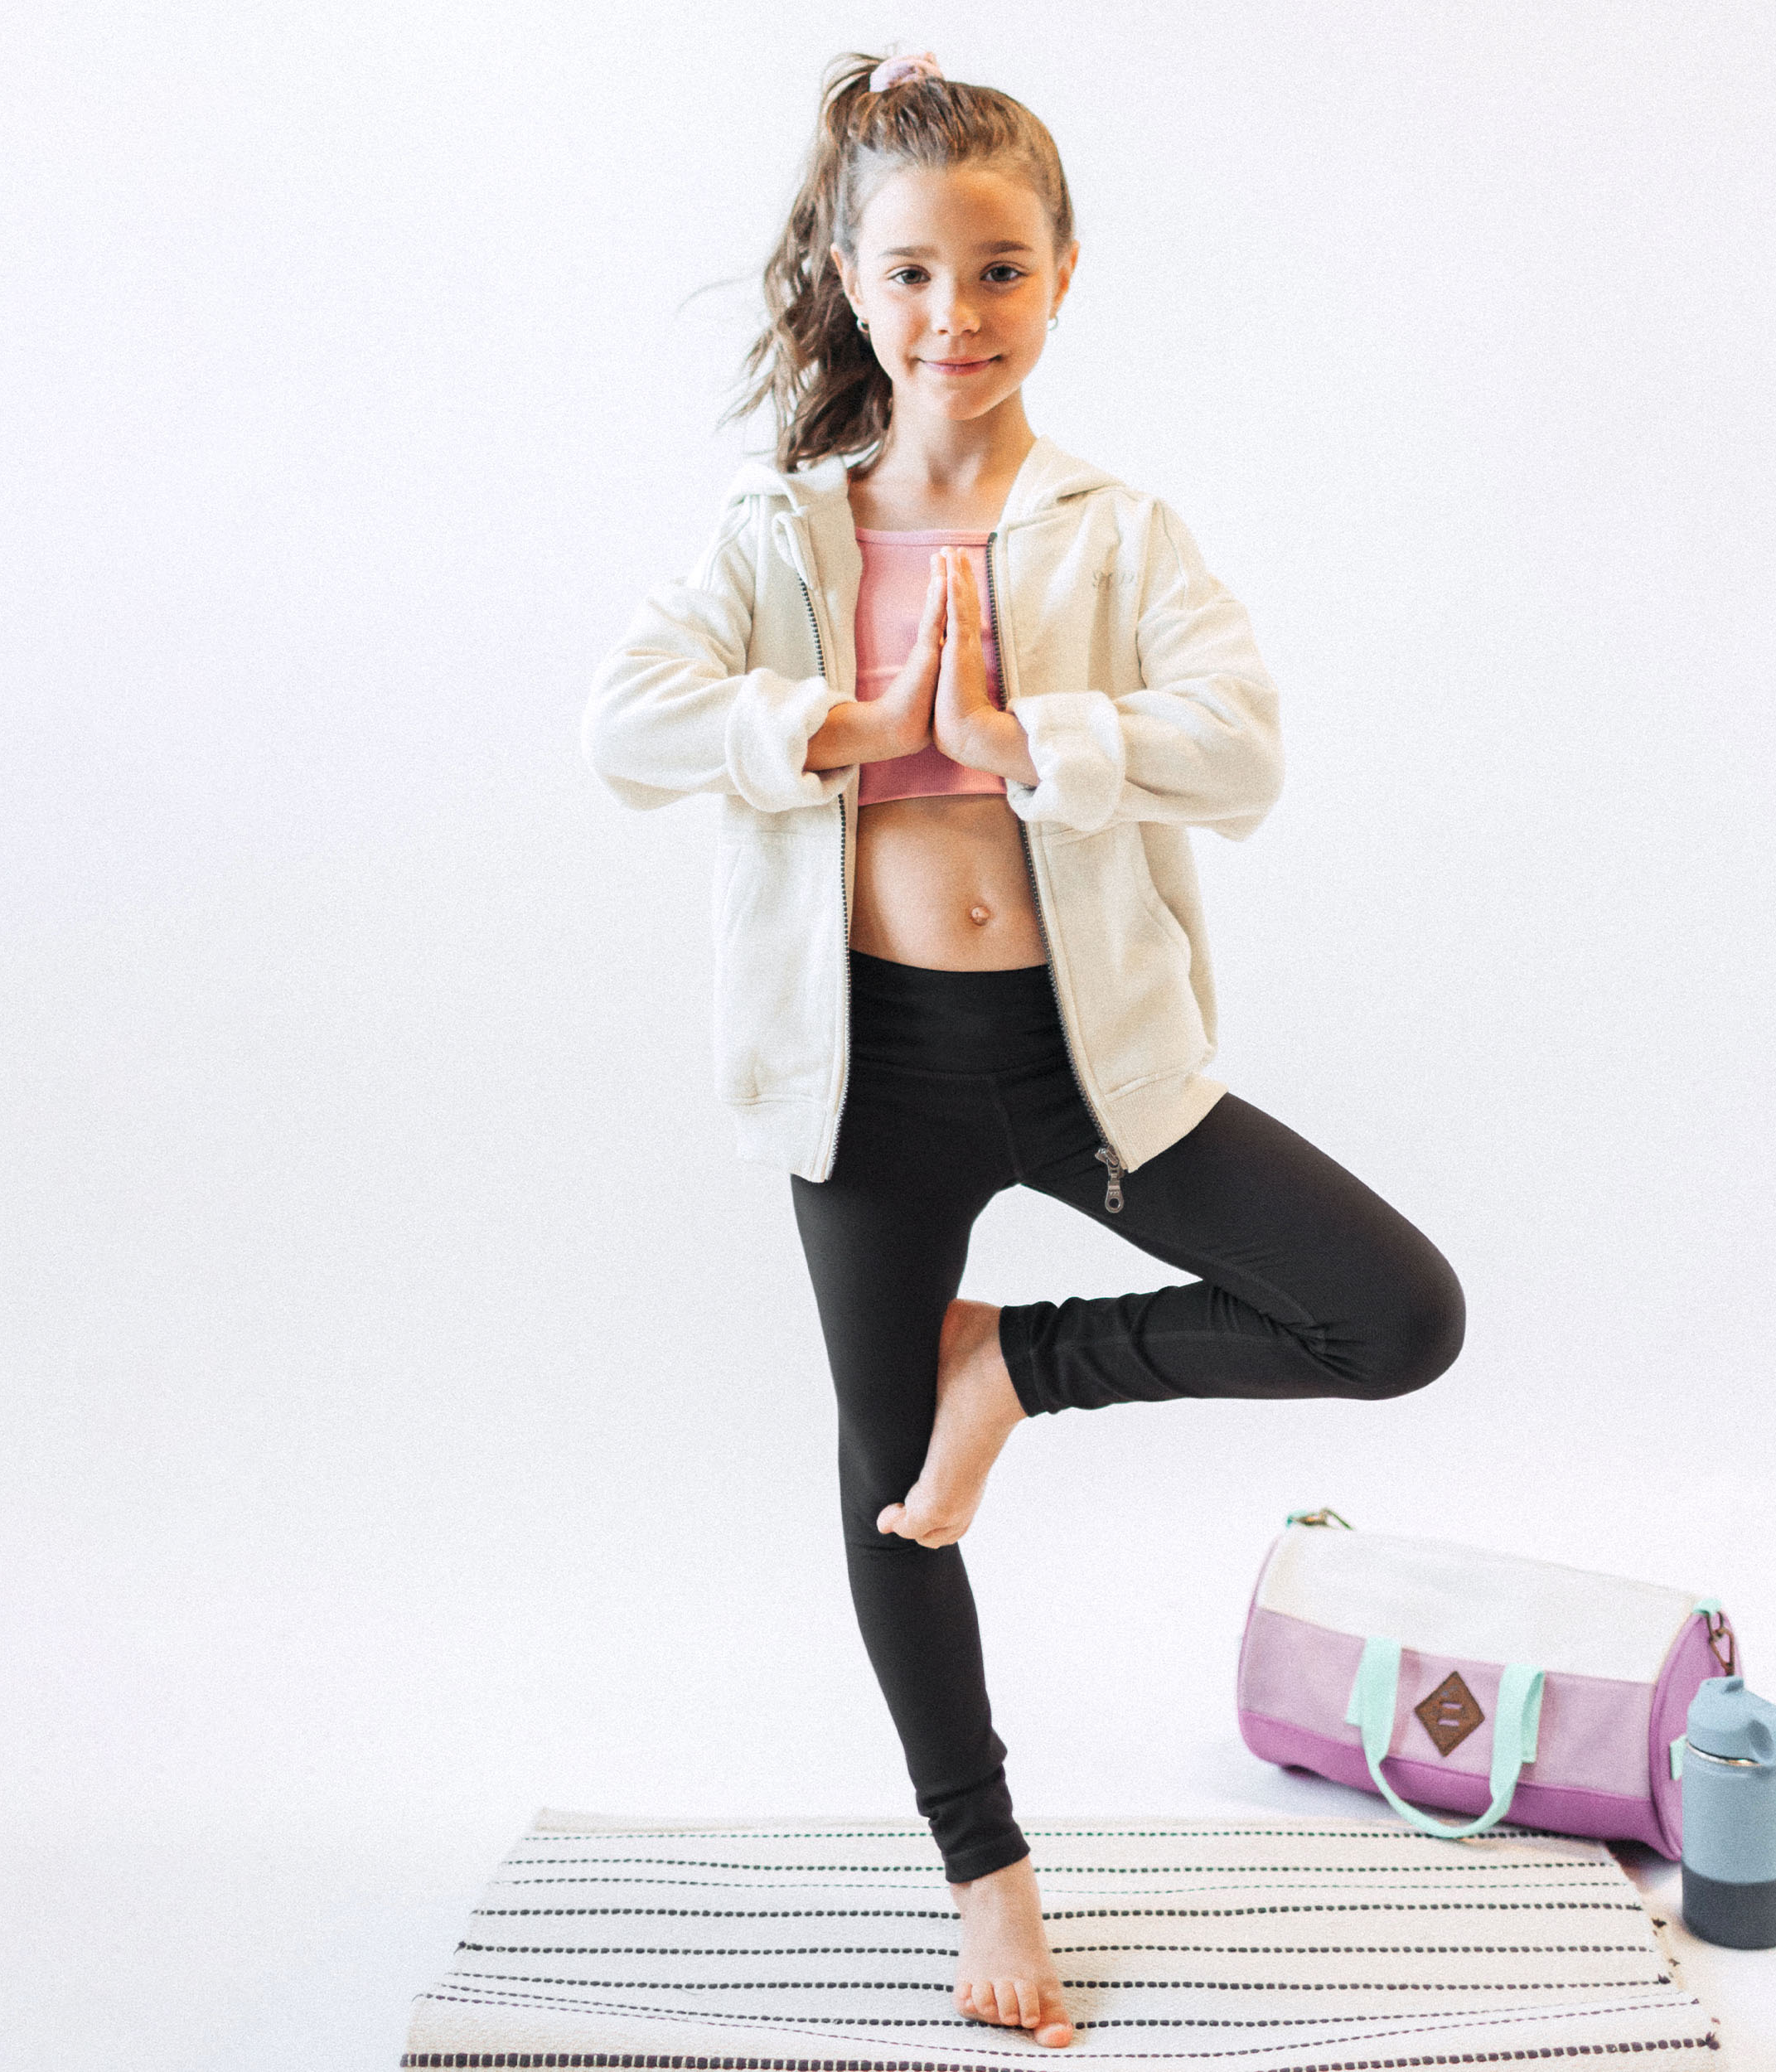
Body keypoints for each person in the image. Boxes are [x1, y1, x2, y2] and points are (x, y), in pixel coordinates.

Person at [582, 48, 1464, 2050]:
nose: (948, 317)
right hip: (864, 1079)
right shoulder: (778, 528)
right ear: (844, 272)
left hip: (1087, 1066)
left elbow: (1239, 752)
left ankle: (1019, 1361)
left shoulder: (1112, 532)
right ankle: (985, 1865)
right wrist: (815, 719)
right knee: (892, 1489)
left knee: (1392, 1314)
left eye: (993, 272)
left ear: (1059, 275)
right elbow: (622, 726)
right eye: (908, 274)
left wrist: (1033, 745)